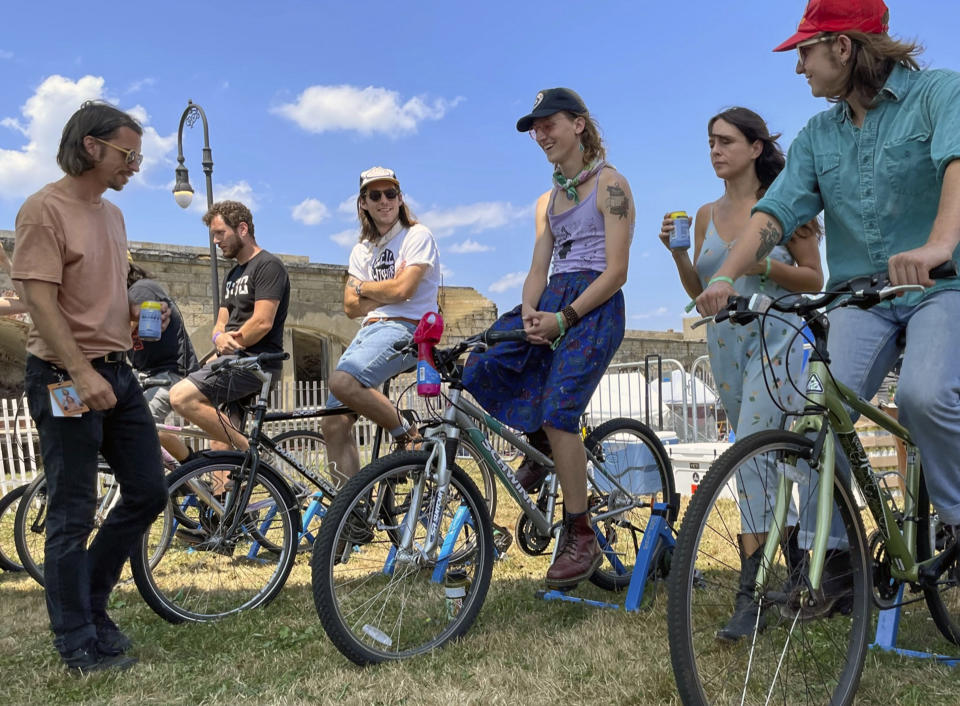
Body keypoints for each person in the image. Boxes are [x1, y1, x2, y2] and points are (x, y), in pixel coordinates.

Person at [696, 0, 960, 605]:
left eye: (805, 51)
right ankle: (836, 561)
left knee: (923, 395)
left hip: (939, 284)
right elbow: (775, 213)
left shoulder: (939, 95)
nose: (798, 67)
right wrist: (728, 278)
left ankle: (957, 516)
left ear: (843, 47)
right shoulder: (820, 133)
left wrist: (939, 244)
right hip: (859, 298)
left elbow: (956, 166)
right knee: (813, 418)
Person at [12, 101, 169, 673]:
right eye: (129, 154)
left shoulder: (111, 216)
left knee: (149, 492)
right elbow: (38, 301)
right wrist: (80, 371)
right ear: (91, 147)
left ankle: (93, 604)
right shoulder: (42, 210)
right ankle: (75, 640)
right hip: (63, 375)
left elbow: (100, 287)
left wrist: (135, 309)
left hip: (118, 371)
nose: (136, 165)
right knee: (72, 511)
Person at [660, 107, 823, 640]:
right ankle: (796, 571)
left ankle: (750, 596)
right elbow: (700, 294)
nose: (715, 151)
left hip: (776, 336)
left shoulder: (781, 206)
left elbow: (813, 278)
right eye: (710, 142)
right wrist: (680, 255)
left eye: (726, 141)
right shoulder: (705, 214)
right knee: (761, 460)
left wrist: (762, 266)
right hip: (726, 342)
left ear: (755, 148)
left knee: (751, 451)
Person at [462, 88, 634, 588]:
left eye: (548, 124)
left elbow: (617, 271)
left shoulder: (612, 184)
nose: (540, 135)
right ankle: (540, 445)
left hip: (594, 304)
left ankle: (581, 535)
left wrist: (566, 319)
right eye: (534, 129)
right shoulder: (548, 199)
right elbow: (539, 267)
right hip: (556, 297)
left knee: (562, 413)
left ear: (578, 125)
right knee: (481, 361)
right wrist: (532, 313)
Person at [321, 167, 440, 483]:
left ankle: (406, 432)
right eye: (375, 195)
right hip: (369, 332)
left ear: (400, 199)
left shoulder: (417, 236)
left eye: (391, 194)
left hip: (407, 329)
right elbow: (349, 307)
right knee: (332, 423)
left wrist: (364, 287)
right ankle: (353, 516)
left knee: (342, 383)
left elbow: (404, 290)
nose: (384, 201)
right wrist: (384, 290)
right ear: (363, 203)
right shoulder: (362, 249)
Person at [170, 201, 290, 451]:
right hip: (232, 359)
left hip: (257, 362)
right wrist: (217, 339)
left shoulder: (268, 265)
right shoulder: (232, 275)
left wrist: (229, 343)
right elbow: (220, 323)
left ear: (242, 229)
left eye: (220, 233)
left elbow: (262, 322)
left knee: (180, 396)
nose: (215, 241)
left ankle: (252, 454)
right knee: (219, 438)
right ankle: (224, 491)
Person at [127, 261, 200, 463]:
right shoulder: (117, 302)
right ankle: (180, 470)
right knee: (130, 421)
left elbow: (125, 329)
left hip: (170, 372)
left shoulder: (140, 290)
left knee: (143, 421)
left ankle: (189, 468)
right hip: (146, 374)